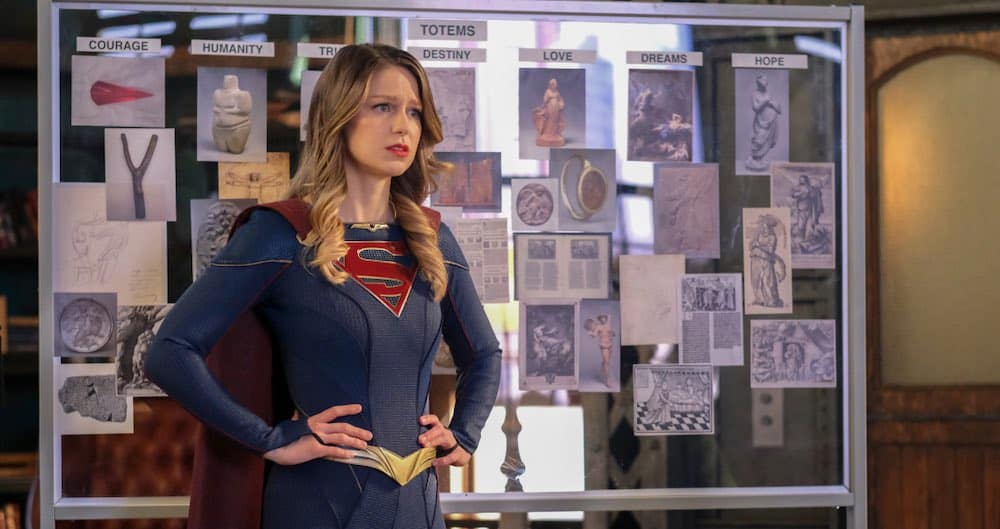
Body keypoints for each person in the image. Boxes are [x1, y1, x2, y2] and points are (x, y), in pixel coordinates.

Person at [145, 43, 502, 529]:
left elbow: (484, 354)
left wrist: (464, 433)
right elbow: (169, 350)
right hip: (315, 504)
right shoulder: (282, 233)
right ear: (339, 117)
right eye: (382, 107)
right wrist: (270, 439)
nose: (403, 126)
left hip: (419, 509)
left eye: (414, 111)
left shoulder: (431, 238)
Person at [745, 73, 782, 171]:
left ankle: (759, 159)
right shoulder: (754, 94)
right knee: (759, 141)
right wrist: (765, 101)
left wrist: (774, 105)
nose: (766, 83)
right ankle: (754, 159)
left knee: (769, 141)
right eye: (763, 81)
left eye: (766, 81)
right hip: (761, 122)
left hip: (771, 122)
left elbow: (778, 109)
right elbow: (755, 108)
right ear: (758, 83)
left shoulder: (768, 93)